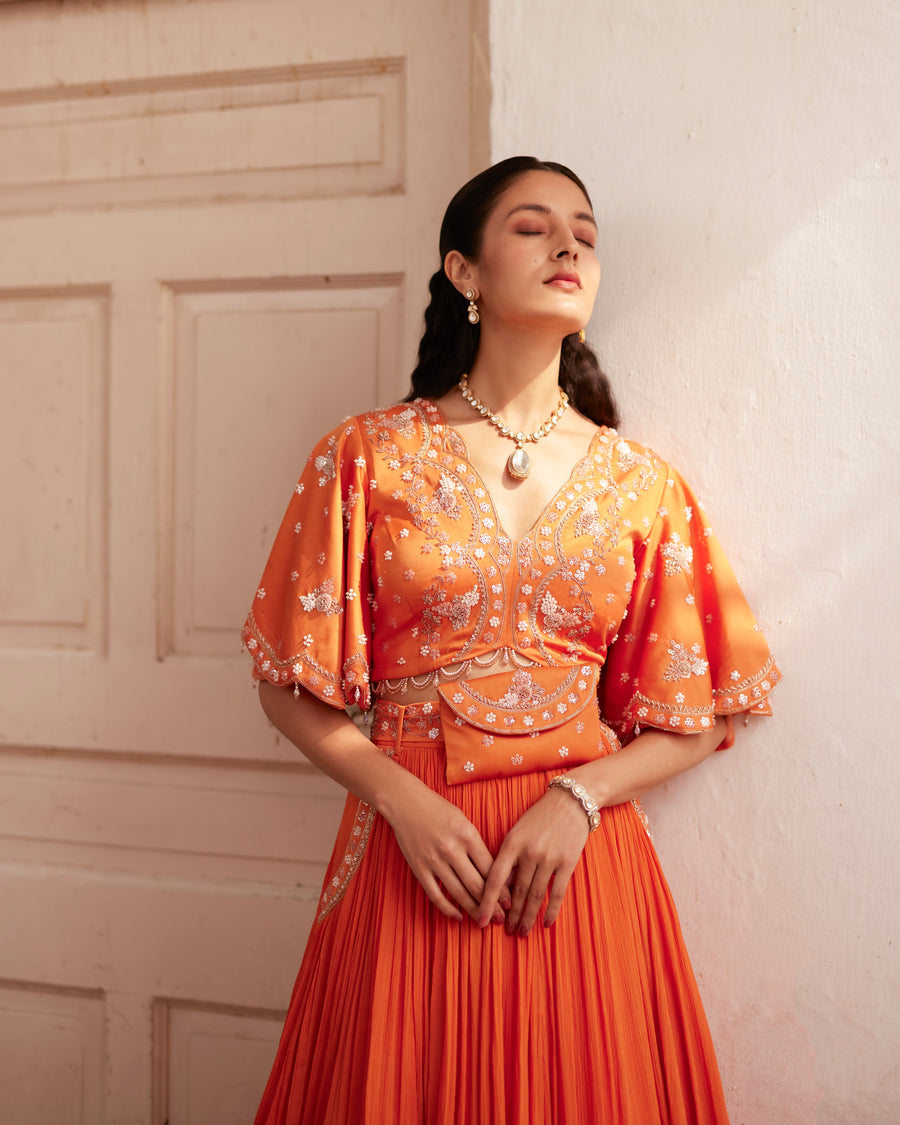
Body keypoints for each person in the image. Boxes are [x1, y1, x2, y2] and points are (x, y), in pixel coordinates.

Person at [242, 156, 780, 1124]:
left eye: (586, 230)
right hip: (416, 860)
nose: (571, 243)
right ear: (465, 272)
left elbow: (699, 717)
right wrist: (400, 799)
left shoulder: (644, 485)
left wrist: (579, 799)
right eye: (533, 227)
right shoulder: (365, 456)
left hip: (579, 866)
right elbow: (288, 683)